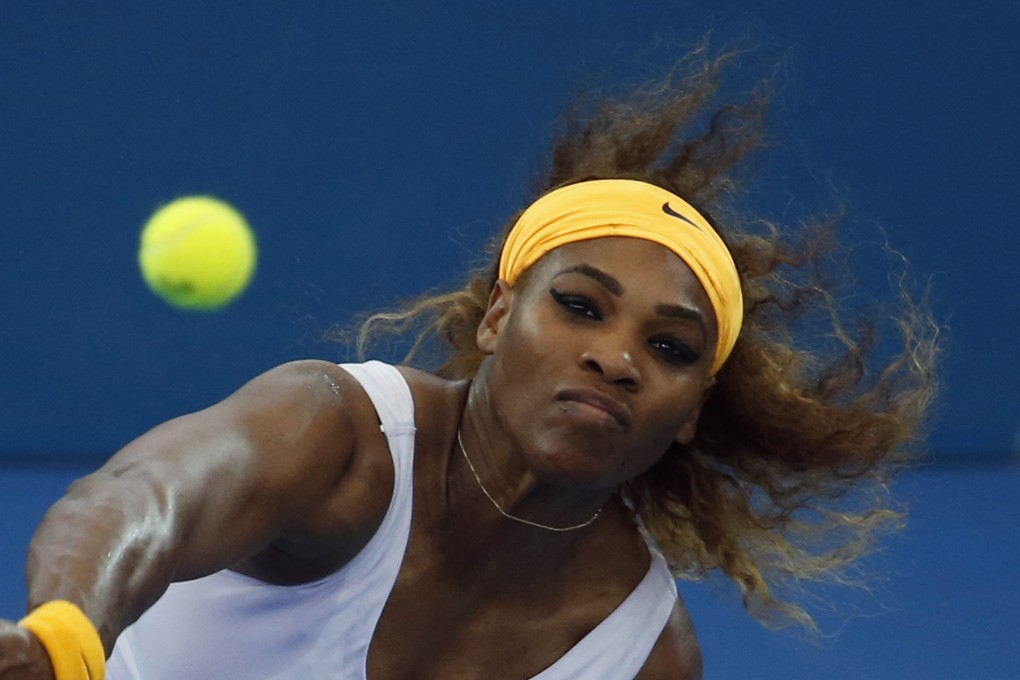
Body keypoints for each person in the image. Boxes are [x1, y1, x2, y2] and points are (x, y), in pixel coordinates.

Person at [0, 49, 938, 680]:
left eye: (669, 348)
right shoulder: (338, 435)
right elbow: (142, 500)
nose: (614, 358)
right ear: (498, 315)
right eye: (579, 305)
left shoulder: (636, 651)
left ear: (691, 410)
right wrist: (66, 642)